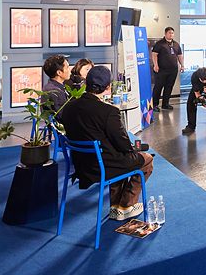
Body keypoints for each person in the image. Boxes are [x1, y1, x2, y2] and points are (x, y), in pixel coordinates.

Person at [56, 65, 153, 221]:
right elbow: (123, 144)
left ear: (85, 83)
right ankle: (126, 205)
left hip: (81, 165)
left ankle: (115, 207)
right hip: (103, 167)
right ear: (108, 87)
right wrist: (133, 150)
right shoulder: (109, 112)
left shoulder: (69, 107)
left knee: (116, 156)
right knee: (146, 159)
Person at [151, 27, 183, 110]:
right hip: (161, 70)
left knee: (169, 86)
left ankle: (165, 104)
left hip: (173, 70)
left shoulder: (176, 44)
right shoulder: (159, 43)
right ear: (165, 33)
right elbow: (154, 54)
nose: (171, 34)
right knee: (158, 86)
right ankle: (155, 104)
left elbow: (179, 55)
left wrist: (182, 65)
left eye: (172, 33)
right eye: (169, 33)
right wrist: (156, 65)